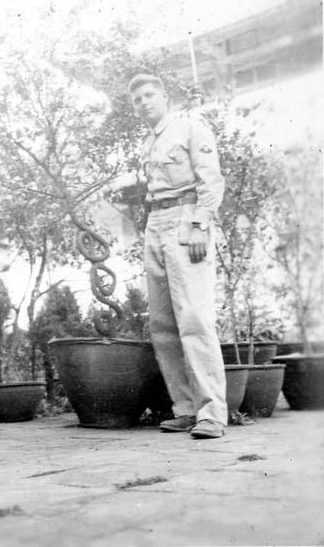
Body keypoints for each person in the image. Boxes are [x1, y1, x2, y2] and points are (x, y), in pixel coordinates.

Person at [128, 73, 227, 439]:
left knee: (195, 319)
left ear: (164, 97)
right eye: (137, 99)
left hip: (187, 220)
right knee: (163, 324)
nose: (144, 103)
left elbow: (210, 180)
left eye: (150, 95)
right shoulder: (149, 142)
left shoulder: (189, 128)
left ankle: (212, 413)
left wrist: (200, 224)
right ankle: (185, 408)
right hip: (156, 222)